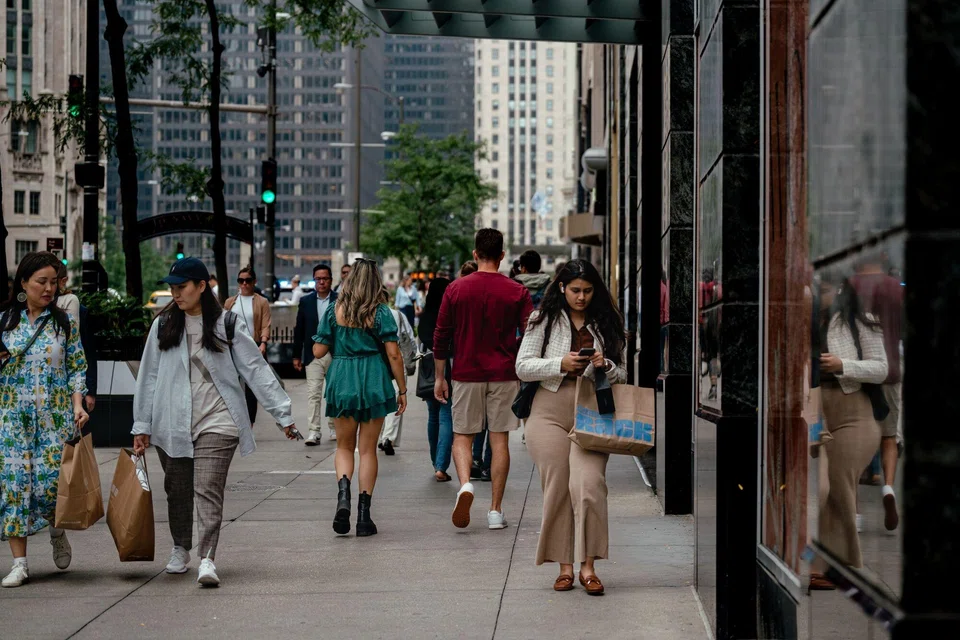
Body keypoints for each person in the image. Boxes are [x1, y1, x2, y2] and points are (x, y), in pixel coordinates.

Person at [133, 257, 297, 587]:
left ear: (202, 286)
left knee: (207, 488)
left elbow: (255, 370)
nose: (175, 294)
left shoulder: (227, 324)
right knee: (177, 490)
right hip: (172, 421)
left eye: (182, 287)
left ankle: (207, 557)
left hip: (218, 420)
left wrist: (283, 414)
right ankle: (181, 548)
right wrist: (142, 424)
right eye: (172, 288)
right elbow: (148, 376)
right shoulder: (163, 325)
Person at [516, 259, 626, 595]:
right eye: (575, 290)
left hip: (592, 407)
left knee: (590, 485)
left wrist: (604, 364)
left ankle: (588, 566)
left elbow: (622, 374)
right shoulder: (542, 320)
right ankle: (564, 567)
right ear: (562, 288)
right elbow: (522, 366)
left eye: (588, 290)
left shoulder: (607, 321)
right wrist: (560, 363)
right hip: (548, 409)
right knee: (558, 488)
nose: (581, 297)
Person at [434, 229, 533, 530]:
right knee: (499, 439)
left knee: (463, 436)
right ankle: (495, 511)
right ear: (502, 256)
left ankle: (465, 484)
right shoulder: (517, 291)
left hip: (466, 373)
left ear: (475, 254)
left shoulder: (455, 289)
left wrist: (441, 376)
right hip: (504, 373)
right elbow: (530, 334)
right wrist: (514, 355)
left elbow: (441, 336)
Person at [0, 252, 88, 588]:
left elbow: (76, 368)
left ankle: (56, 531)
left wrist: (78, 405)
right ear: (23, 282)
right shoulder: (4, 322)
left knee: (52, 486)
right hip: (11, 419)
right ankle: (20, 563)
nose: (49, 288)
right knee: (15, 487)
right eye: (42, 282)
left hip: (53, 418)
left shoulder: (64, 323)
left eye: (54, 282)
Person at [312, 259, 408, 537]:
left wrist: (324, 339)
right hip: (373, 378)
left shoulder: (334, 310)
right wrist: (401, 390)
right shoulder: (381, 313)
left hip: (342, 376)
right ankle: (364, 517)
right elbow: (393, 354)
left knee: (344, 447)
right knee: (367, 450)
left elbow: (319, 352)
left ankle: (344, 495)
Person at [809, 276, 887, 590]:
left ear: (839, 289)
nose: (818, 293)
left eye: (824, 288)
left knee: (839, 484)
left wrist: (843, 364)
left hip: (856, 415)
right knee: (826, 489)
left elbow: (882, 367)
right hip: (821, 415)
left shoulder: (857, 320)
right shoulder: (809, 321)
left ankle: (836, 567)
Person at [850, 254, 903, 530]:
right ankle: (889, 487)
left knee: (858, 441)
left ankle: (856, 515)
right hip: (891, 371)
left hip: (860, 373)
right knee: (889, 437)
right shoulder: (895, 287)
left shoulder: (850, 287)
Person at [293, 264, 338, 445]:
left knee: (333, 393)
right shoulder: (306, 301)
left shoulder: (340, 300)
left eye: (325, 278)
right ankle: (314, 431)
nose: (321, 282)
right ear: (314, 280)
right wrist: (297, 355)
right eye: (318, 279)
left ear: (330, 280)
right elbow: (299, 329)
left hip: (336, 354)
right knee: (313, 394)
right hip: (313, 355)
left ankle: (334, 427)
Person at [416, 277, 454, 481]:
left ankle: (435, 462)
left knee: (433, 415)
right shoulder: (450, 314)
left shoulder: (426, 316)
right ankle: (441, 465)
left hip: (430, 371)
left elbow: (422, 342)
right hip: (449, 367)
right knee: (447, 414)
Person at [224, 267, 272, 423]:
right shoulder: (230, 302)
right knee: (232, 384)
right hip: (233, 347)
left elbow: (266, 324)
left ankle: (250, 422)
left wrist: (263, 342)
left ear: (254, 282)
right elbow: (223, 324)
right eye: (241, 280)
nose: (244, 283)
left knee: (252, 387)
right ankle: (235, 420)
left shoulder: (262, 301)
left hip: (254, 346)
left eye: (248, 280)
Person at [378, 306, 415, 455]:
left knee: (380, 399)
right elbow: (409, 337)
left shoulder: (367, 313)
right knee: (397, 398)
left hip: (376, 359)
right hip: (396, 357)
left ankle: (381, 436)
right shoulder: (397, 315)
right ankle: (388, 437)